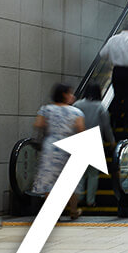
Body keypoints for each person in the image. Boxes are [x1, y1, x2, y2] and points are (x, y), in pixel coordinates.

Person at [31, 83, 86, 219]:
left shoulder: (45, 109)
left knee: (49, 179)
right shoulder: (76, 112)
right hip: (69, 147)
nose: (73, 96)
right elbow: (81, 130)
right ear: (64, 95)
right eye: (70, 93)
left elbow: (38, 124)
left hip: (50, 147)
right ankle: (73, 210)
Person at [73, 83, 115, 207]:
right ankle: (90, 201)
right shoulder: (100, 107)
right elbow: (106, 126)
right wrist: (111, 140)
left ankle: (79, 197)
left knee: (79, 172)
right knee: (93, 174)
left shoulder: (77, 105)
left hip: (78, 142)